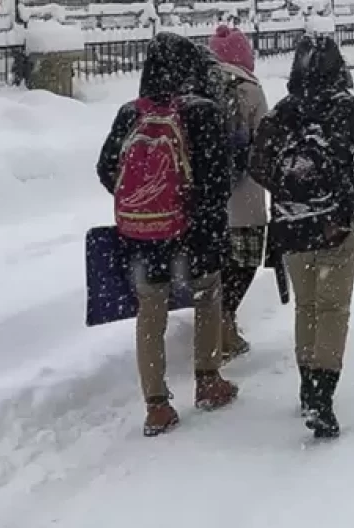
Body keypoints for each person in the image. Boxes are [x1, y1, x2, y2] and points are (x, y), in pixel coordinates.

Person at [249, 34, 354, 439]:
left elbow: (256, 163)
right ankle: (321, 395)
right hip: (338, 222)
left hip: (292, 224)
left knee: (308, 307)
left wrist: (288, 188)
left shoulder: (283, 111)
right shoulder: (349, 108)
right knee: (333, 309)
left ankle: (307, 386)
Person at [96, 32, 238, 437]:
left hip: (143, 234)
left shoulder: (131, 113)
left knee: (151, 311)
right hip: (196, 231)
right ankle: (208, 380)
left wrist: (145, 200)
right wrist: (193, 211)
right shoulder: (202, 111)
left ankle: (156, 405)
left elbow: (106, 168)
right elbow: (218, 179)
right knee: (207, 296)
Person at [207, 24, 270, 360]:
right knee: (243, 263)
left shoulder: (197, 86)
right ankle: (226, 321)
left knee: (214, 266)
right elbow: (266, 143)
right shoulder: (251, 90)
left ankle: (212, 324)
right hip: (245, 198)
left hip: (208, 198)